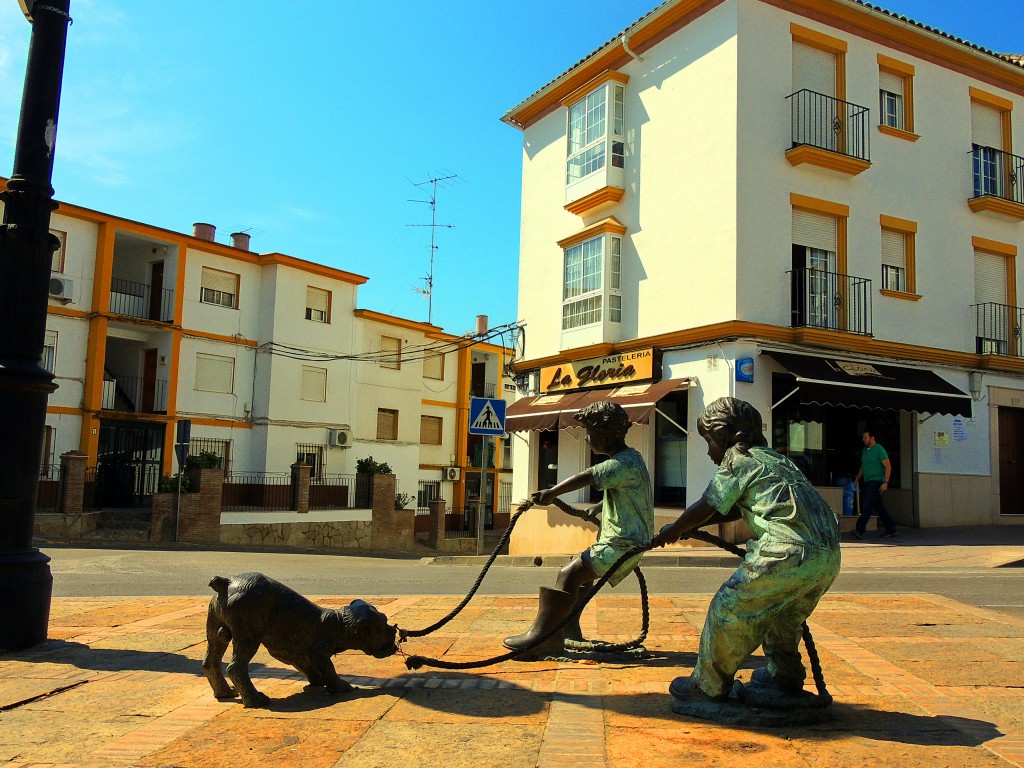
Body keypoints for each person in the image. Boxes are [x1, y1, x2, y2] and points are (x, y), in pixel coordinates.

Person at [650, 397, 841, 702]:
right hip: (827, 555)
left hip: (785, 552)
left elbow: (709, 504)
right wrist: (687, 527)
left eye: (709, 442)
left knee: (729, 609)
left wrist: (675, 528)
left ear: (727, 437)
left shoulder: (738, 458)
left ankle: (708, 684)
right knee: (782, 618)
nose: (709, 451)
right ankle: (785, 676)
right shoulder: (776, 460)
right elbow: (732, 509)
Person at [503, 400, 654, 658]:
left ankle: (542, 639)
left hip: (622, 546)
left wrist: (552, 492)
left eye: (590, 433)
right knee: (582, 581)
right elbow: (626, 495)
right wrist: (601, 507)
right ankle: (568, 630)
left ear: (606, 435)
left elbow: (588, 476)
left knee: (568, 575)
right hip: (626, 542)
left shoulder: (621, 463)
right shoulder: (632, 459)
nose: (586, 439)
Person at [854, 429, 898, 539]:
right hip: (868, 481)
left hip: (876, 481)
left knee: (867, 505)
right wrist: (857, 479)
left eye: (865, 437)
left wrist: (886, 482)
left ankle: (859, 530)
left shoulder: (879, 449)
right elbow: (863, 467)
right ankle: (891, 529)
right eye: (863, 437)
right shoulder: (865, 450)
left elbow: (887, 466)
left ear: (872, 438)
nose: (863, 439)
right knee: (879, 507)